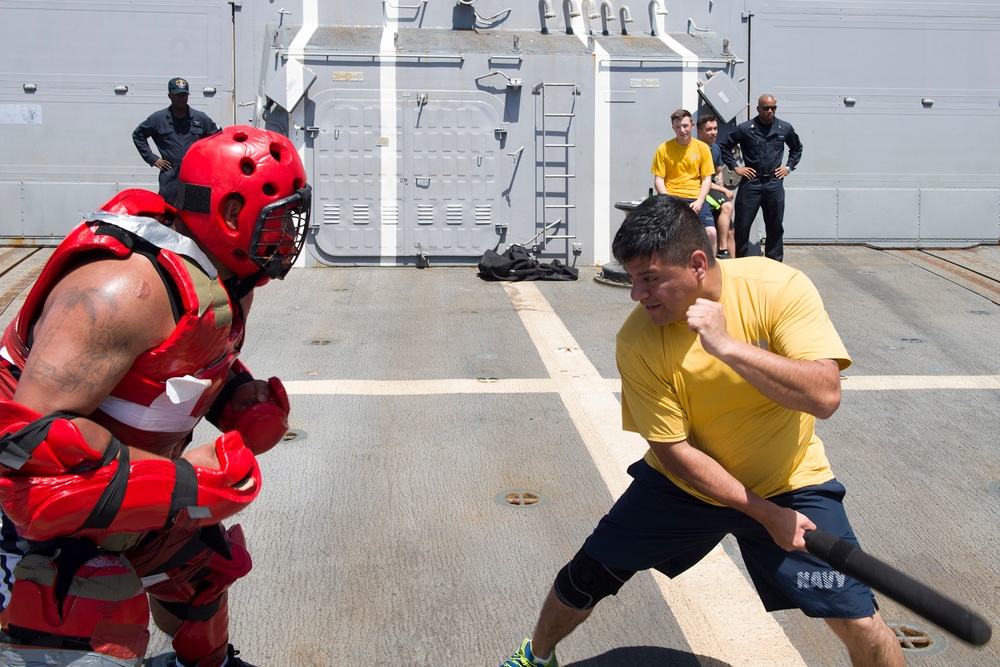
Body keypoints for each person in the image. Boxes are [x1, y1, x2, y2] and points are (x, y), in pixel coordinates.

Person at [500, 195, 904, 667]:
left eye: (649, 279)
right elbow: (674, 453)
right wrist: (765, 515)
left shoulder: (778, 287)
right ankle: (536, 656)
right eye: (632, 280)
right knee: (586, 576)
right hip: (685, 488)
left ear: (696, 263)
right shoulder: (637, 339)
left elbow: (825, 396)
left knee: (860, 620)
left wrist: (729, 348)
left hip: (789, 481)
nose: (637, 294)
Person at [0, 126, 312, 667]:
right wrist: (189, 484)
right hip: (35, 517)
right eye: (280, 218)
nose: (290, 233)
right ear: (233, 215)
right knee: (89, 597)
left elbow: (168, 360)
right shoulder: (121, 289)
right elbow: (27, 454)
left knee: (200, 573)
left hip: (116, 477)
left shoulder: (220, 274)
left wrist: (236, 394)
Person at [720, 94, 803, 262]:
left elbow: (797, 148)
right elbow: (724, 146)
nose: (770, 111)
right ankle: (741, 263)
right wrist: (736, 168)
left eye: (773, 108)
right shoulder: (745, 128)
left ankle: (774, 263)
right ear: (758, 109)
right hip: (752, 183)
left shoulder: (784, 128)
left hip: (773, 183)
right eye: (766, 108)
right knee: (742, 226)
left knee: (775, 226)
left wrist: (788, 167)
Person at [133, 77, 221, 206]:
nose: (181, 98)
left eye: (184, 94)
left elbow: (218, 139)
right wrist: (153, 159)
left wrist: (208, 162)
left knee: (196, 217)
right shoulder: (158, 119)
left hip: (196, 177)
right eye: (177, 95)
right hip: (171, 178)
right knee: (169, 216)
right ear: (170, 95)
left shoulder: (200, 118)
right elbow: (138, 135)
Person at [650, 109, 717, 250]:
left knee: (711, 233)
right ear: (673, 128)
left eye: (685, 126)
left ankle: (711, 269)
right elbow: (659, 180)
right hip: (672, 198)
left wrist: (699, 201)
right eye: (678, 127)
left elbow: (706, 179)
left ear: (692, 125)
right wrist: (669, 201)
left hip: (695, 198)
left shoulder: (703, 148)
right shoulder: (663, 149)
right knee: (668, 236)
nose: (682, 130)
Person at [696, 113, 736, 259]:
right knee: (727, 207)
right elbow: (702, 181)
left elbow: (718, 173)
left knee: (730, 230)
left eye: (715, 129)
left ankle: (733, 268)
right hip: (702, 191)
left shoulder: (716, 148)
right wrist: (723, 190)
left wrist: (722, 193)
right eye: (709, 129)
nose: (713, 132)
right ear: (700, 131)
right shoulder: (696, 149)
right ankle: (722, 250)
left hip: (714, 190)